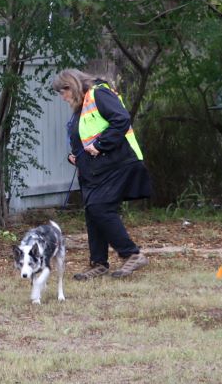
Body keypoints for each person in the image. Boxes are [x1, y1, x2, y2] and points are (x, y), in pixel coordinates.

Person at [51, 68, 153, 279]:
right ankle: (99, 263)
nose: (62, 97)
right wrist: (77, 156)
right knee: (92, 211)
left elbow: (121, 119)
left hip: (118, 163)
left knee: (100, 208)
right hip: (96, 169)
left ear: (71, 85)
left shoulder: (99, 94)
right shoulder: (82, 105)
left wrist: (101, 145)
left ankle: (132, 254)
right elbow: (86, 137)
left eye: (63, 92)